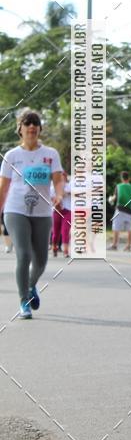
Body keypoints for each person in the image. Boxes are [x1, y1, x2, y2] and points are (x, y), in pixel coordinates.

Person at [0, 110, 64, 318]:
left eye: (35, 123)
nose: (31, 126)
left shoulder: (51, 154)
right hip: (15, 209)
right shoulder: (11, 156)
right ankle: (23, 301)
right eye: (27, 123)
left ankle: (30, 286)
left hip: (43, 211)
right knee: (24, 254)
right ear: (20, 129)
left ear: (39, 129)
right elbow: (3, 188)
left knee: (41, 260)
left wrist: (60, 195)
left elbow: (58, 180)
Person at [109, 171, 131, 251]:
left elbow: (115, 197)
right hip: (129, 210)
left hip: (120, 209)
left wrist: (110, 199)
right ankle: (128, 245)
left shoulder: (119, 186)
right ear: (129, 178)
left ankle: (114, 244)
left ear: (121, 178)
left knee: (116, 227)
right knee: (129, 229)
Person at [51, 171, 71, 257]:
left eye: (63, 178)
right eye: (59, 179)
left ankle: (65, 250)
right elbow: (51, 199)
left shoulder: (69, 186)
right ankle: (54, 247)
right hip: (57, 211)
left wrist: (63, 193)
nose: (62, 180)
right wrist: (56, 200)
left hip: (68, 211)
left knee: (65, 230)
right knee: (55, 233)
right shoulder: (52, 188)